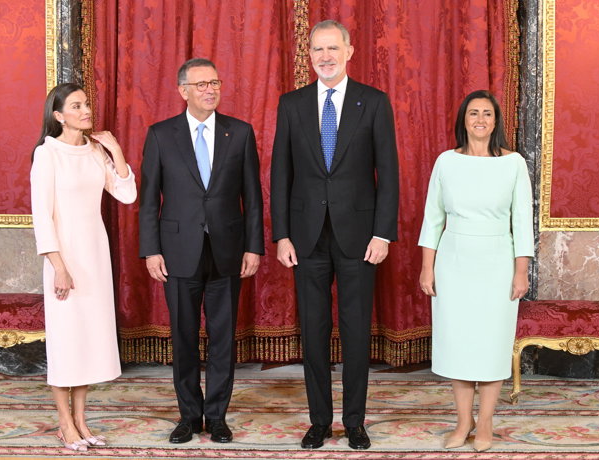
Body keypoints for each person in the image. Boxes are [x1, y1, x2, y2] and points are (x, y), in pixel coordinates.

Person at [270, 20, 399, 450]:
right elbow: (281, 173)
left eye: (332, 48)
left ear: (349, 51)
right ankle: (320, 421)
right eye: (317, 49)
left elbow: (389, 174)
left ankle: (355, 422)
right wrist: (282, 235)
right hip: (306, 238)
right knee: (314, 332)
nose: (325, 57)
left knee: (356, 331)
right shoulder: (291, 104)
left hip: (360, 238)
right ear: (309, 55)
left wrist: (383, 234)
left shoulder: (373, 102)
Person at [139, 58, 264, 444]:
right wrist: (151, 250)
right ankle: (189, 417)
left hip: (228, 250)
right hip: (178, 251)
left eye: (215, 83)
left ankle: (218, 416)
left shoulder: (239, 133)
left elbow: (253, 197)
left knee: (223, 338)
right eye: (201, 84)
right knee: (184, 337)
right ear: (183, 91)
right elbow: (149, 200)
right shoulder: (161, 135)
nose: (210, 90)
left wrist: (253, 247)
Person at [418, 90, 533, 452]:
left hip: (498, 262)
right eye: (473, 113)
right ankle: (463, 420)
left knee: (491, 344)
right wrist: (427, 268)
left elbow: (522, 222)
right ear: (463, 121)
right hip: (454, 262)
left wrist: (521, 271)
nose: (480, 119)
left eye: (487, 113)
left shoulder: (513, 163)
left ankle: (485, 421)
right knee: (459, 343)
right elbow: (432, 218)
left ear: (496, 121)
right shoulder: (446, 162)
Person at [30, 83, 137, 452]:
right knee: (66, 341)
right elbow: (42, 216)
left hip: (94, 257)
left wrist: (115, 150)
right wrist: (58, 266)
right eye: (76, 105)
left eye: (86, 103)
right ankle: (65, 423)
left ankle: (81, 420)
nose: (86, 110)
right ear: (58, 115)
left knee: (88, 340)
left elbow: (127, 193)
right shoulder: (47, 153)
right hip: (64, 258)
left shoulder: (94, 150)